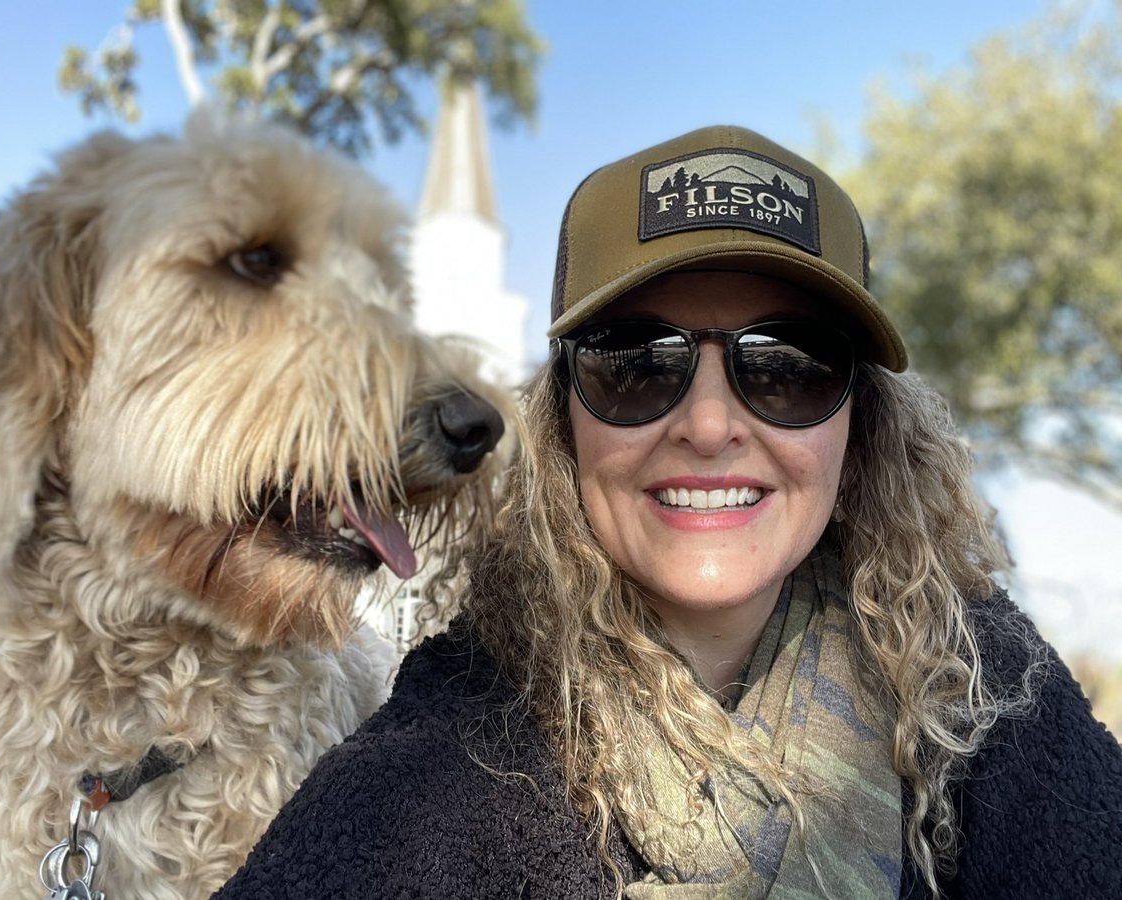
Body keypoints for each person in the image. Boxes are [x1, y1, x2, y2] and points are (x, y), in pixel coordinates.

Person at [214, 127, 1122, 899]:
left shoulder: (980, 680)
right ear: (562, 418)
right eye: (637, 360)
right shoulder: (445, 759)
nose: (712, 423)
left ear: (863, 425)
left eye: (787, 363)